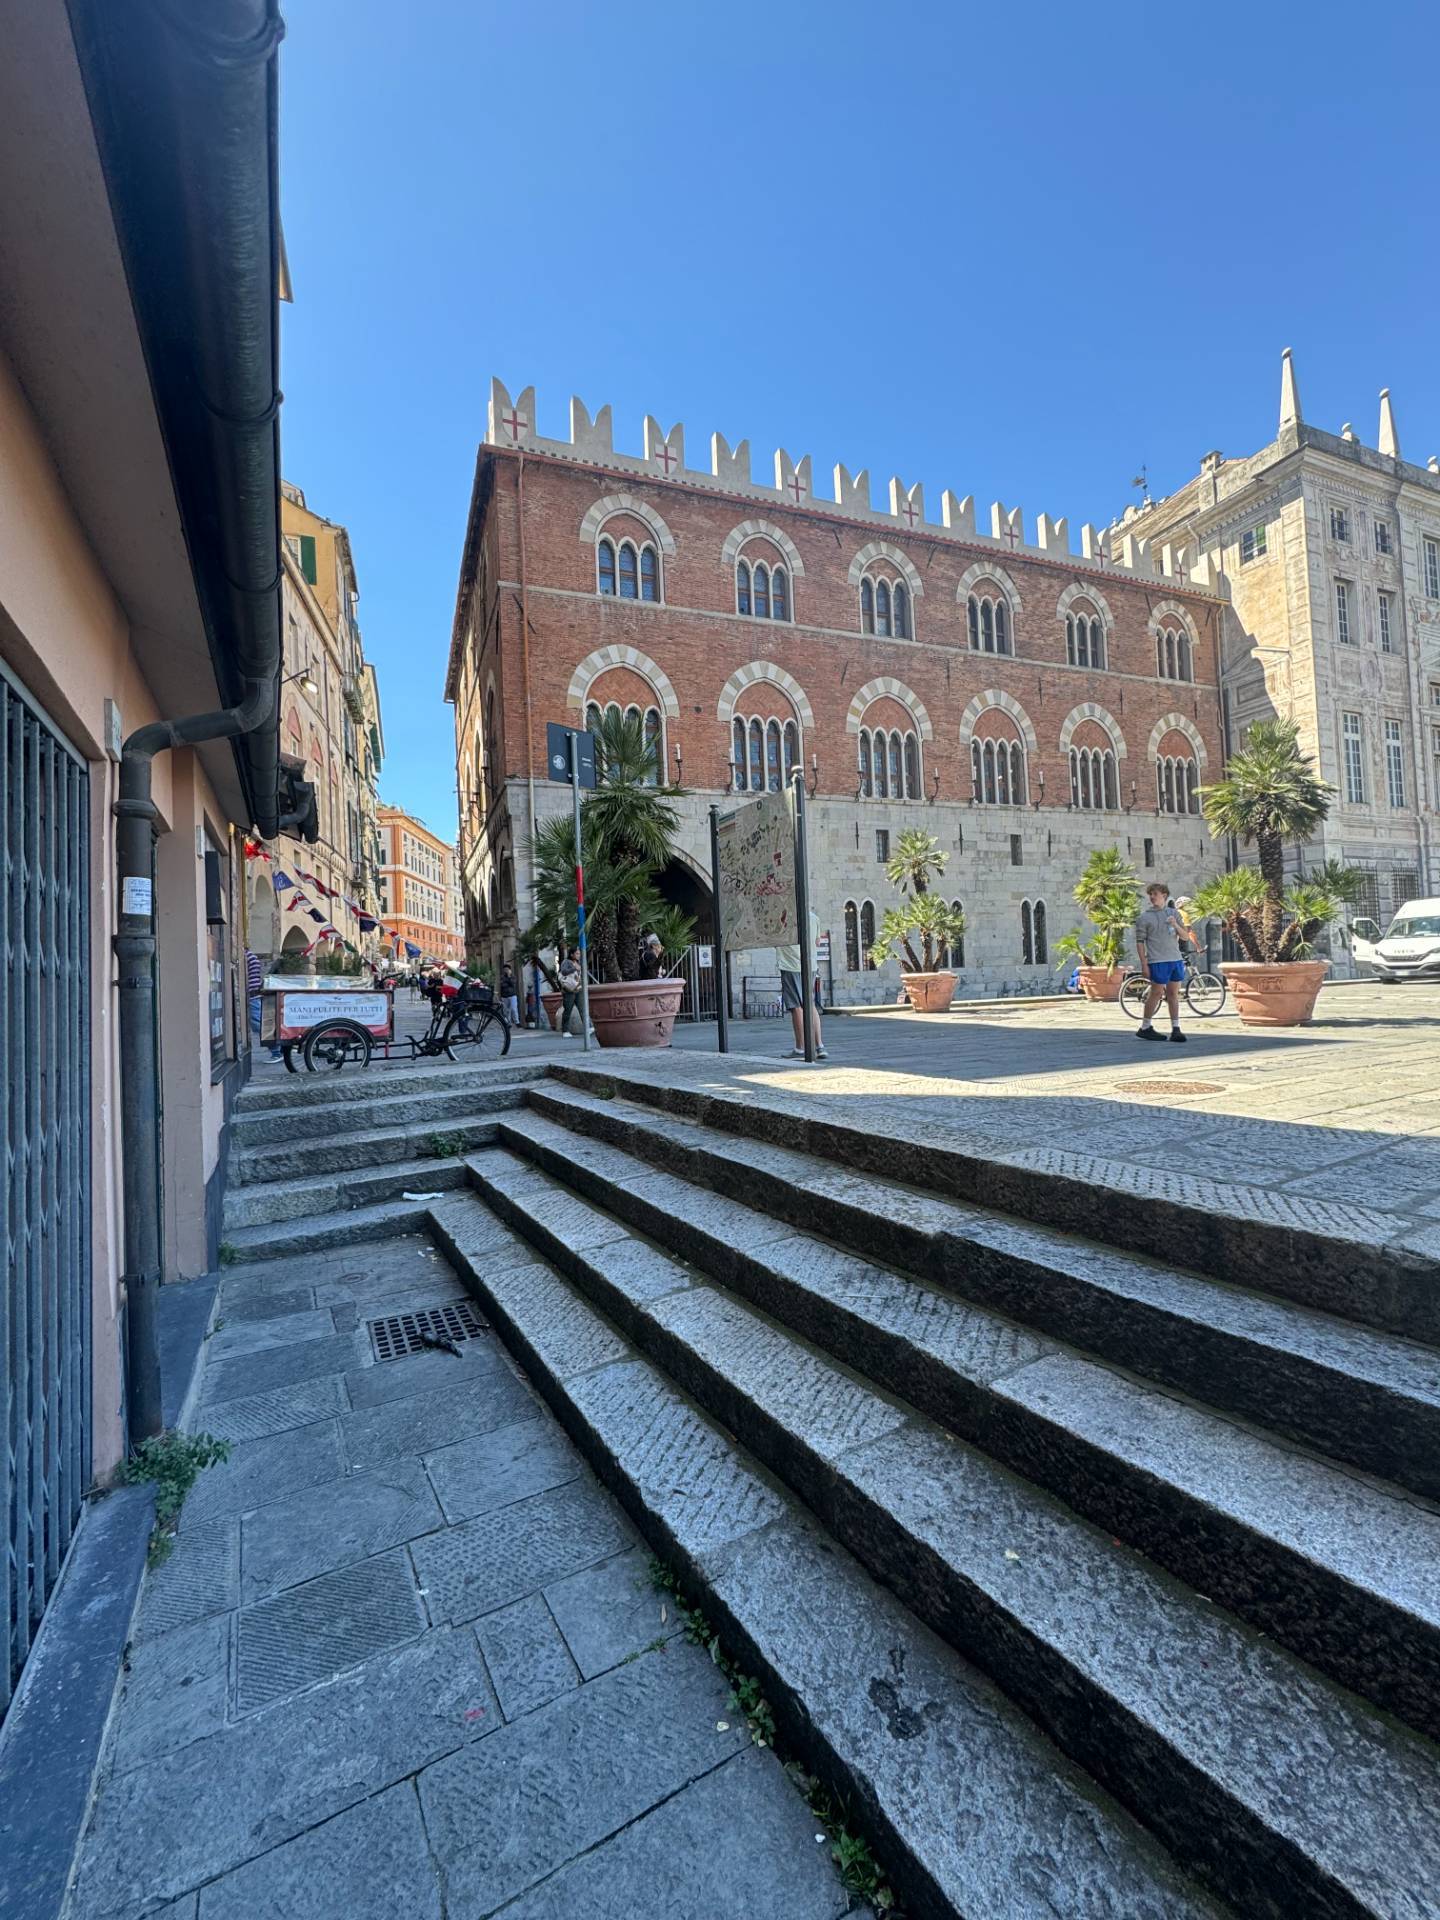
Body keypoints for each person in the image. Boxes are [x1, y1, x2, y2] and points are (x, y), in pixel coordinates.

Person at [1134, 881, 1188, 1042]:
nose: (1152, 897)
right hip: (1157, 961)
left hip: (1175, 959)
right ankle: (1145, 1027)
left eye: (1155, 894)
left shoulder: (1174, 913)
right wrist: (1144, 964)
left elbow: (1185, 936)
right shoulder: (1144, 918)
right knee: (1156, 993)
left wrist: (1175, 924)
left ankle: (1176, 1029)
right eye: (1150, 894)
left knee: (1173, 994)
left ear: (1164, 895)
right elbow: (1140, 942)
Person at [775, 912, 826, 1059]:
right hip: (810, 966)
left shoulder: (783, 915)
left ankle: (800, 1047)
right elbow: (817, 942)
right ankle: (819, 1046)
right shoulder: (814, 917)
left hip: (791, 965)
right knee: (809, 1004)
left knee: (796, 1007)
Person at [557, 945, 583, 1037]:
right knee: (568, 1010)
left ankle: (588, 1027)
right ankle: (565, 1030)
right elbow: (563, 972)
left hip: (578, 989)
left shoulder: (578, 962)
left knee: (582, 1008)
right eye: (577, 953)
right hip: (568, 990)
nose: (579, 955)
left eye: (579, 953)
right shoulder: (566, 962)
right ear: (571, 954)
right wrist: (574, 968)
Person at [500, 961, 519, 1026]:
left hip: (512, 995)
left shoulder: (513, 976)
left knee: (514, 1009)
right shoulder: (502, 977)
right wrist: (508, 981)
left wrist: (508, 977)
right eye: (505, 969)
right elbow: (502, 985)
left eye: (507, 969)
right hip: (504, 996)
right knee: (506, 1011)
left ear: (510, 970)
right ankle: (509, 1023)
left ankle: (517, 1022)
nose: (506, 970)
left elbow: (513, 984)